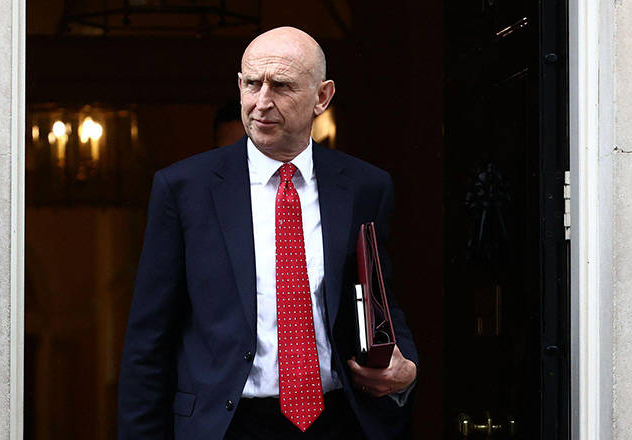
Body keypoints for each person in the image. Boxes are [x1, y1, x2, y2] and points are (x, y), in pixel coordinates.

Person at [118, 26, 419, 440]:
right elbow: (148, 339)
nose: (262, 102)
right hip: (227, 424)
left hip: (339, 421)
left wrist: (406, 367)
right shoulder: (185, 189)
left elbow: (383, 300)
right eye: (251, 84)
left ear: (322, 97)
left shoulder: (366, 187)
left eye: (281, 86)